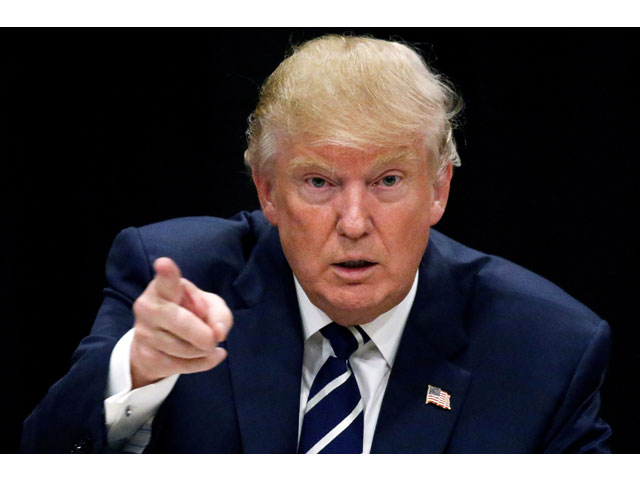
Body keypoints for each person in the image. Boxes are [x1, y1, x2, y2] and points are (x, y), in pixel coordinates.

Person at [21, 34, 611, 453]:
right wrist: (138, 371)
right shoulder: (180, 281)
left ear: (438, 189)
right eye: (319, 182)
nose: (353, 222)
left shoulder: (545, 347)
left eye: (387, 181)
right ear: (268, 192)